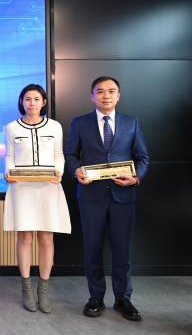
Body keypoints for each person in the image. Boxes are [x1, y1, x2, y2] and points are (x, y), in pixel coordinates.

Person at [65, 76, 149, 322]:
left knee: (122, 250)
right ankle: (96, 297)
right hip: (91, 196)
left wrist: (136, 178)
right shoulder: (80, 123)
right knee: (92, 249)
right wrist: (76, 171)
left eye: (111, 91)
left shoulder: (131, 122)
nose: (106, 95)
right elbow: (70, 154)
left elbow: (143, 157)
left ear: (118, 96)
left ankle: (123, 298)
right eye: (100, 91)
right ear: (92, 96)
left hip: (123, 196)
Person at [3, 84, 71, 313]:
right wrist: (9, 172)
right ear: (21, 102)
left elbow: (59, 155)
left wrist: (59, 172)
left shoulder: (55, 126)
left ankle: (43, 290)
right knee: (24, 236)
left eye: (36, 99)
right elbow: (10, 156)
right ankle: (26, 289)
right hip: (22, 188)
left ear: (44, 102)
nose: (32, 103)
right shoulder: (12, 127)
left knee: (46, 237)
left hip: (48, 187)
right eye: (27, 99)